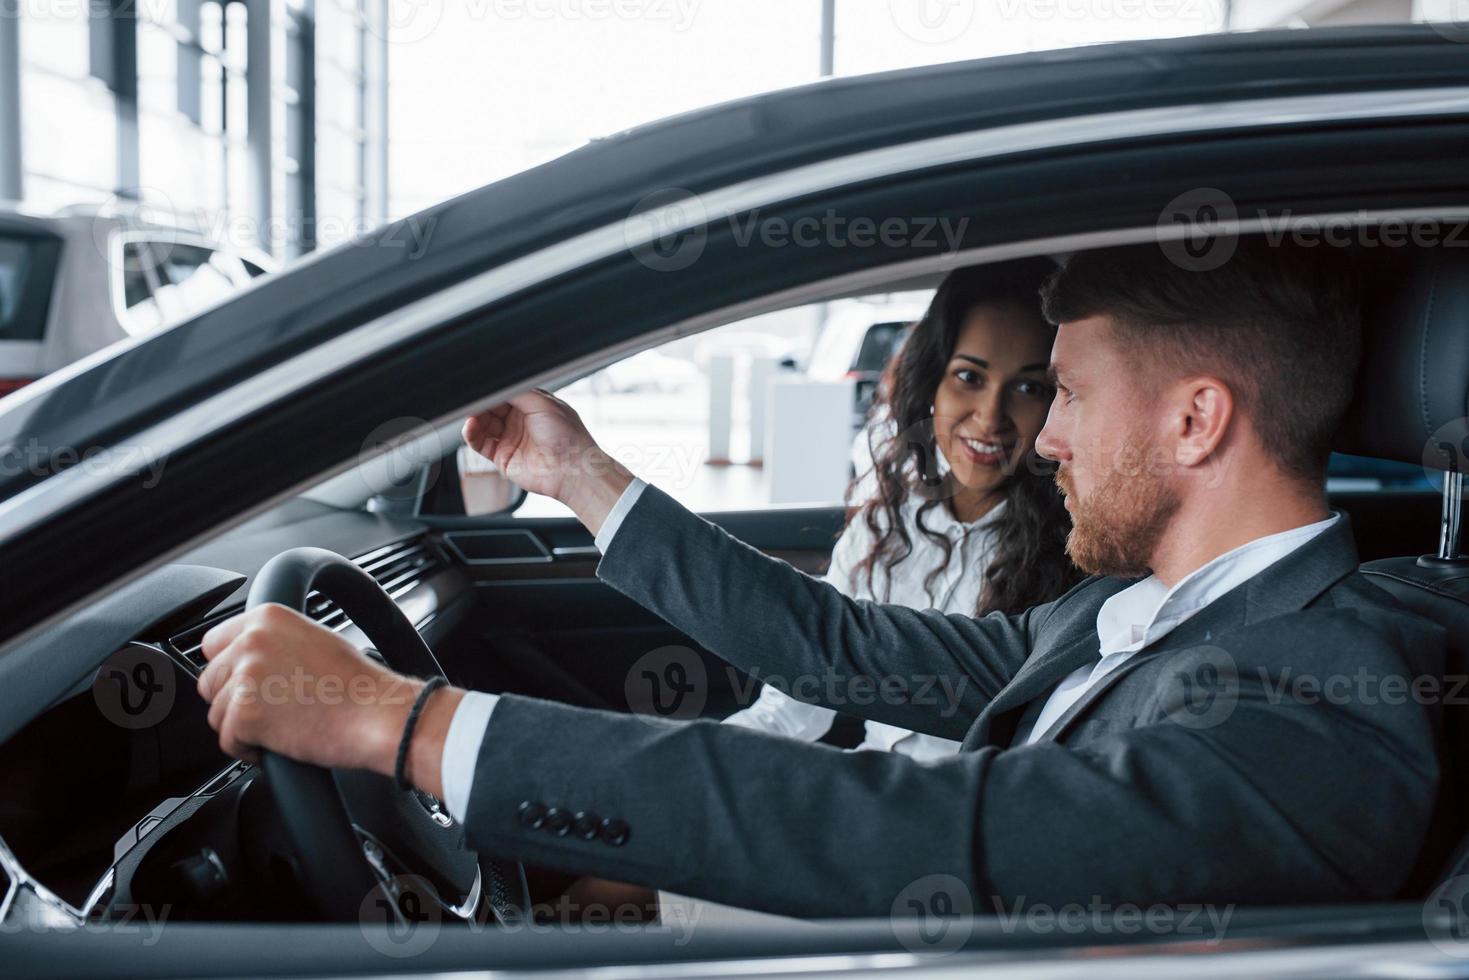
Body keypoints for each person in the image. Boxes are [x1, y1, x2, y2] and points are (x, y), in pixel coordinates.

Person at [195, 238, 1444, 918]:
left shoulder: (1332, 689)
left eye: (1064, 392)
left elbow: (927, 829)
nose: (1041, 436)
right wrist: (580, 475)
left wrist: (406, 720)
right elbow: (839, 642)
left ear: (1194, 422)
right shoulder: (1121, 613)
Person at [725, 258, 1079, 760]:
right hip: (873, 792)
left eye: (1028, 388)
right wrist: (689, 761)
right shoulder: (884, 524)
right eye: (969, 377)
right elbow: (793, 707)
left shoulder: (1079, 551)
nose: (990, 417)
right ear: (933, 380)